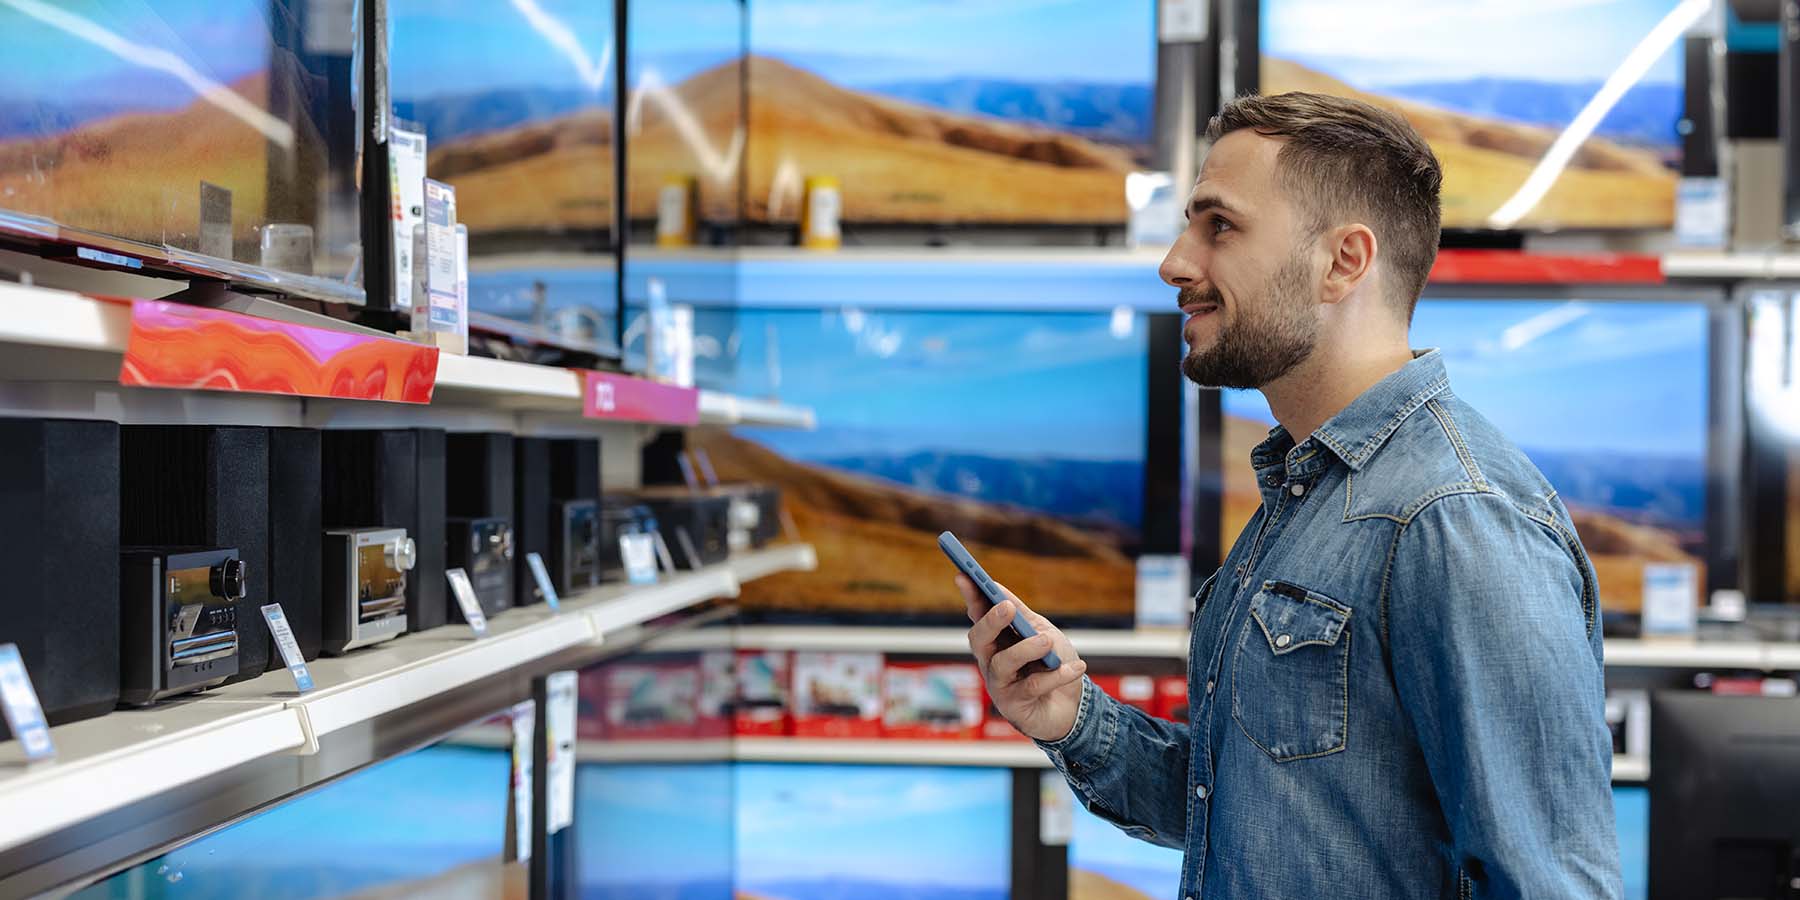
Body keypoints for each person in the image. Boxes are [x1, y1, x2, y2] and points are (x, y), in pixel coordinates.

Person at [959, 92, 1622, 900]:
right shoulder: (1306, 492)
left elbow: (1550, 886)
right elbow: (1246, 813)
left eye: (1220, 226)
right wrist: (1070, 718)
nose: (1175, 262)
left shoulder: (1456, 517)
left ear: (1344, 261)